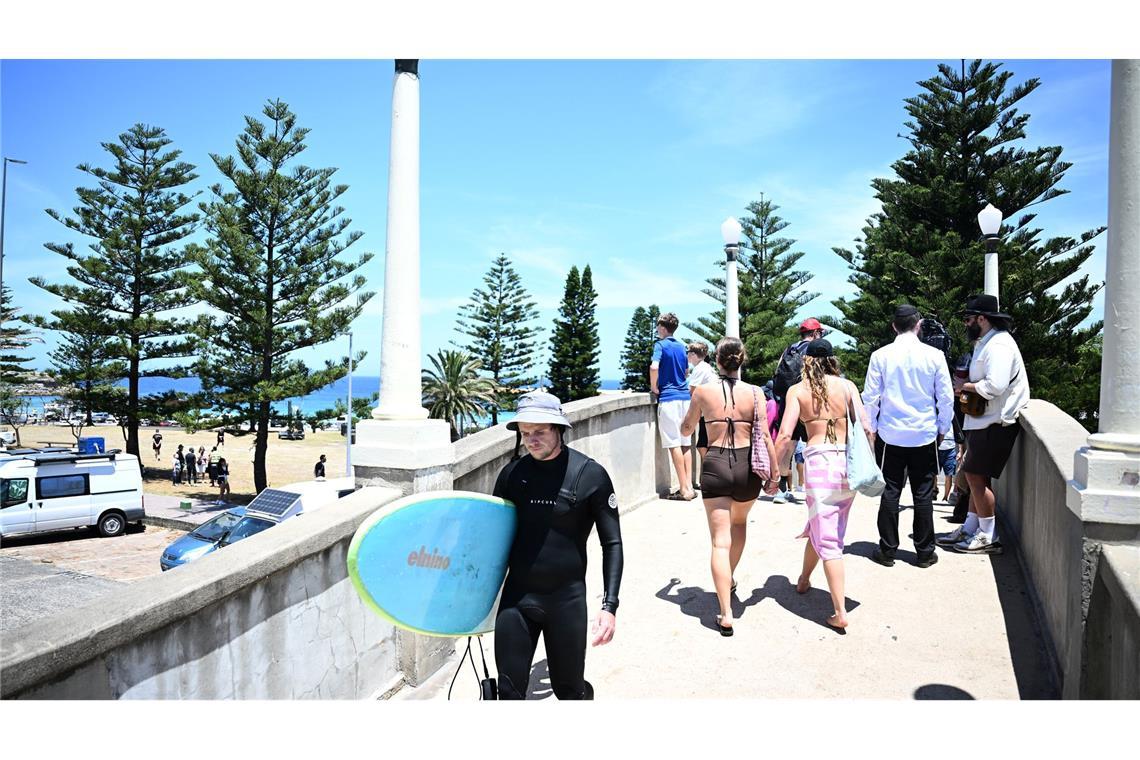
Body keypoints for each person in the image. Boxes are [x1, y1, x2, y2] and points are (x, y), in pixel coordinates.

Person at [492, 390, 623, 700]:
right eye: (525, 433)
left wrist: (609, 607)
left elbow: (612, 543)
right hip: (517, 600)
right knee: (508, 692)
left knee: (569, 692)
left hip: (566, 602)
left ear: (559, 429)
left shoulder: (590, 475)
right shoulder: (512, 475)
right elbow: (490, 540)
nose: (531, 440)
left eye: (539, 431)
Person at [680, 337, 779, 636]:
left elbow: (686, 428)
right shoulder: (755, 392)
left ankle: (725, 613)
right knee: (739, 524)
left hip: (715, 464)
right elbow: (764, 436)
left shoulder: (703, 391)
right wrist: (774, 473)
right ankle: (730, 577)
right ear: (742, 360)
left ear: (718, 361)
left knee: (719, 542)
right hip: (748, 467)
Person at [776, 338, 872, 629]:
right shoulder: (847, 387)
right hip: (847, 464)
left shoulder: (797, 391)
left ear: (807, 361)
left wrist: (774, 471)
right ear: (832, 360)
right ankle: (804, 580)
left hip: (819, 464)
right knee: (821, 524)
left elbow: (784, 435)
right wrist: (868, 461)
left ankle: (839, 611)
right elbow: (867, 427)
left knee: (828, 537)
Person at [862, 305, 954, 569]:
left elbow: (870, 397)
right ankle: (925, 553)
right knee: (923, 493)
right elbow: (945, 396)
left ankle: (887, 550)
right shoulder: (934, 355)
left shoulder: (880, 355)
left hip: (890, 435)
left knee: (890, 492)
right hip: (925, 434)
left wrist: (873, 428)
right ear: (918, 325)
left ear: (894, 326)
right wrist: (942, 427)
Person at [941, 294, 1030, 554]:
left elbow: (995, 386)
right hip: (984, 421)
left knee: (976, 478)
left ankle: (988, 535)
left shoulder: (999, 345)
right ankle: (971, 528)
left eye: (969, 319)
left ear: (982, 318)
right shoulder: (987, 342)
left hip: (997, 422)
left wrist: (963, 386)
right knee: (974, 477)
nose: (966, 324)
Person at [771, 317, 828, 503]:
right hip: (807, 403)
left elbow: (777, 374)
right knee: (814, 444)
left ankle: (780, 490)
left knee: (788, 446)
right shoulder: (815, 350)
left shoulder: (789, 349)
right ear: (815, 333)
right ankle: (815, 489)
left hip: (786, 402)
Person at [651, 312, 694, 501]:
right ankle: (690, 486)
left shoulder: (660, 345)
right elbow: (685, 372)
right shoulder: (682, 348)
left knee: (674, 444)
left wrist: (654, 387)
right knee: (685, 443)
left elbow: (654, 367)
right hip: (686, 399)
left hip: (668, 399)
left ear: (662, 327)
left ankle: (683, 489)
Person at [686, 340, 719, 481]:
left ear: (693, 354)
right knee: (705, 444)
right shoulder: (707, 367)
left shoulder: (699, 369)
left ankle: (709, 476)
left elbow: (692, 391)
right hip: (712, 410)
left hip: (708, 413)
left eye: (688, 353)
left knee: (703, 446)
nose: (687, 355)